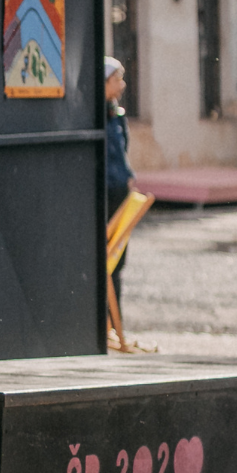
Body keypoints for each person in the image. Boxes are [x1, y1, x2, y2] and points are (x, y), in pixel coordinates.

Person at [104, 57, 136, 304]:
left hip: (120, 191)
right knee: (105, 256)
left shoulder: (116, 115)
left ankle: (115, 324)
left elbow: (123, 150)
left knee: (118, 257)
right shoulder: (95, 116)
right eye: (117, 79)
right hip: (104, 193)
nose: (122, 85)